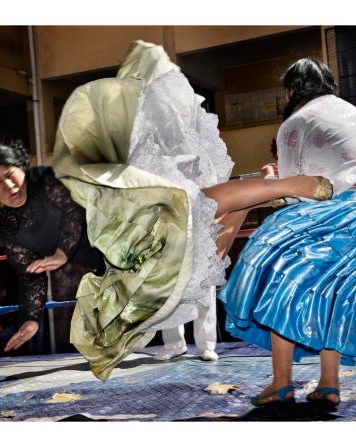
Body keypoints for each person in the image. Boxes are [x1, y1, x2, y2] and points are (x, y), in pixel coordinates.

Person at [44, 40, 326, 380]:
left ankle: (206, 343)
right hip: (166, 205)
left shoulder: (185, 116)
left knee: (202, 265)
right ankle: (176, 343)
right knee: (170, 269)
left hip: (194, 197)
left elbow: (204, 160)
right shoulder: (138, 117)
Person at [218, 57, 356, 410]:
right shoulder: (350, 110)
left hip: (350, 210)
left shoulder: (296, 122)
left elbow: (294, 192)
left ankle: (281, 383)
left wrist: (267, 180)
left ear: (291, 90)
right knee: (335, 293)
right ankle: (328, 385)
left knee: (275, 272)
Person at [0, 141, 107, 356]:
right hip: (102, 264)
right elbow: (30, 276)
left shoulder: (45, 180)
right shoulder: (9, 227)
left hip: (117, 232)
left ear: (21, 168)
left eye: (9, 174)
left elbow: (74, 210)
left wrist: (63, 252)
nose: (7, 184)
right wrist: (31, 320)